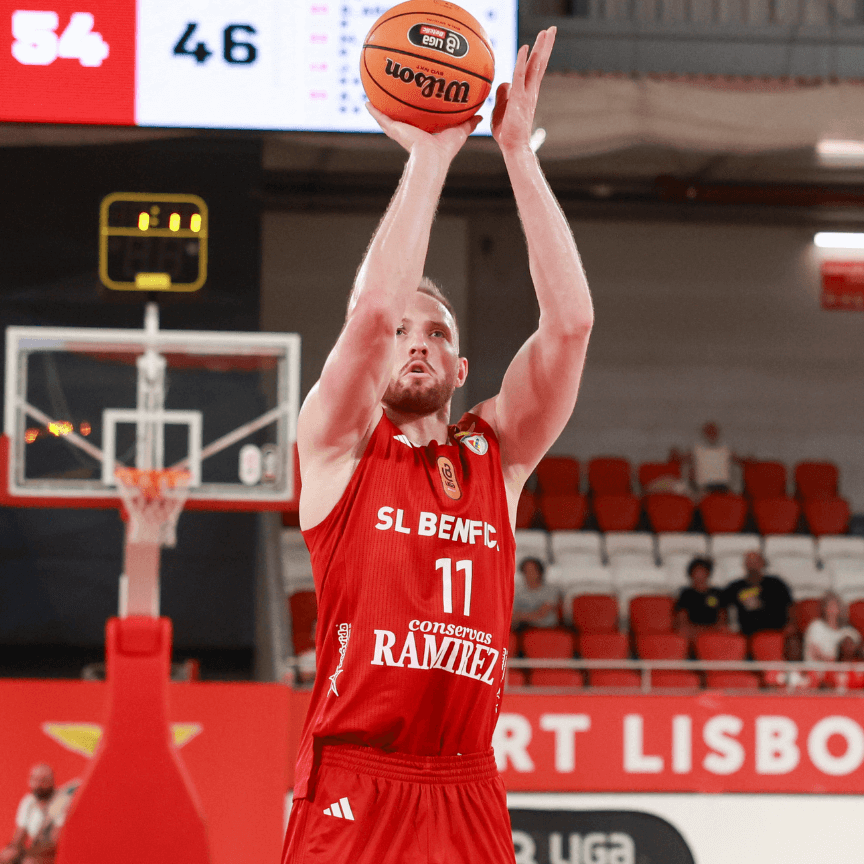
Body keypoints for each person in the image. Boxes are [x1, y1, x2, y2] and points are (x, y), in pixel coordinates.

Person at [282, 27, 593, 864]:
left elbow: (570, 327)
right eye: (401, 331)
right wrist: (429, 156)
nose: (412, 341)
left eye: (436, 332)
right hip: (355, 776)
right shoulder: (339, 443)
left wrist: (519, 153)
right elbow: (372, 314)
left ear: (461, 367)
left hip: (466, 783)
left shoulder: (498, 453)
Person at [0, 764, 74, 864]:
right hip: (33, 850)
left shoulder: (60, 802)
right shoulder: (29, 801)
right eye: (35, 780)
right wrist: (12, 850)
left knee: (29, 862)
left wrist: (28, 854)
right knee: (5, 856)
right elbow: (20, 833)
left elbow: (54, 842)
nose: (38, 784)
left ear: (51, 782)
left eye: (43, 780)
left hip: (49, 854)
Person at [722, 551, 794, 638]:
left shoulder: (776, 583)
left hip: (776, 630)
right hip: (747, 632)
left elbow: (790, 606)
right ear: (744, 565)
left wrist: (791, 624)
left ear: (763, 564)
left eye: (756, 562)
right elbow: (722, 606)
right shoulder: (736, 586)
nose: (752, 566)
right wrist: (724, 624)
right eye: (749, 562)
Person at [804, 591, 861, 687]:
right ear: (823, 608)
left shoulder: (847, 631)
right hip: (816, 675)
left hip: (840, 677)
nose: (832, 609)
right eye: (829, 606)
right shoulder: (815, 626)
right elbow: (815, 653)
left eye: (835, 606)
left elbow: (855, 650)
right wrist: (835, 660)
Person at [674, 556, 727, 645]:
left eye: (702, 572)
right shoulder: (686, 593)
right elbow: (681, 617)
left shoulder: (717, 592)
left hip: (713, 629)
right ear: (691, 574)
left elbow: (722, 616)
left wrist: (712, 629)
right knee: (683, 630)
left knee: (724, 629)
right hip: (692, 630)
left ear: (708, 573)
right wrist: (696, 630)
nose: (699, 575)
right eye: (696, 572)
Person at [688, 421, 739, 495]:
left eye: (714, 431)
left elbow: (739, 463)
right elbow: (690, 472)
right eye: (709, 431)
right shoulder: (696, 450)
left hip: (724, 487)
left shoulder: (727, 449)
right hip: (703, 488)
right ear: (704, 433)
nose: (712, 434)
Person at [512, 558, 560, 629]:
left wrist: (519, 616)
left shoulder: (551, 590)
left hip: (547, 629)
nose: (529, 574)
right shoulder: (517, 592)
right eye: (526, 571)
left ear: (540, 572)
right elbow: (511, 615)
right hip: (522, 629)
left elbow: (540, 615)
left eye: (532, 570)